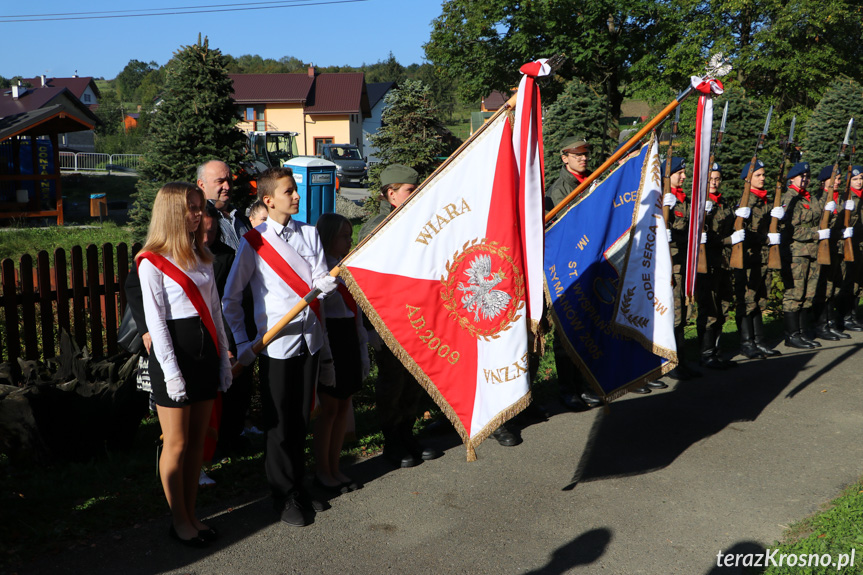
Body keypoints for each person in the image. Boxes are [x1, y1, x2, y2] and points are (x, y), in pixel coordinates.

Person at [222, 166, 338, 527]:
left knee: (301, 419)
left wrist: (325, 285)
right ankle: (282, 495)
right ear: (269, 200)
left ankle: (298, 486)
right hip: (275, 347)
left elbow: (319, 274)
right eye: (289, 191)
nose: (297, 196)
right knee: (278, 422)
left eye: (295, 190)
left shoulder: (309, 233)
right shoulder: (254, 241)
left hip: (310, 338)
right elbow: (230, 298)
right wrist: (242, 341)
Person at [136, 182, 231, 548]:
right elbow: (156, 321)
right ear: (171, 212)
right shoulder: (152, 261)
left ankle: (192, 513)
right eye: (190, 208)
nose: (197, 215)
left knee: (197, 443)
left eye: (198, 207)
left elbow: (216, 313)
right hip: (173, 359)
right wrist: (172, 373)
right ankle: (179, 520)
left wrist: (223, 359)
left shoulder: (202, 255)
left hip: (206, 358)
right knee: (175, 443)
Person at [359, 164, 446, 464]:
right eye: (411, 190)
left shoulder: (413, 221)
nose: (416, 193)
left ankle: (408, 433)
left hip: (417, 316)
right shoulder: (377, 227)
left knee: (414, 380)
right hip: (390, 320)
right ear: (392, 194)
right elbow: (367, 280)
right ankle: (392, 440)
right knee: (393, 382)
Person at [545, 138, 621, 405]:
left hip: (592, 262)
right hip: (569, 266)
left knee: (589, 323)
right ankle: (568, 388)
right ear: (564, 158)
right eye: (577, 155)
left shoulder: (592, 180)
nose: (583, 158)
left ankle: (586, 381)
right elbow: (569, 224)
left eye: (585, 154)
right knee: (568, 326)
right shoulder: (561, 188)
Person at [313, 213, 368, 493]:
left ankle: (335, 467)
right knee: (330, 408)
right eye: (344, 236)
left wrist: (362, 346)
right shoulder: (321, 271)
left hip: (347, 336)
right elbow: (320, 311)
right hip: (330, 339)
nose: (349, 240)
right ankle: (323, 470)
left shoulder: (346, 268)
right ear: (328, 238)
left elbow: (355, 312)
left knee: (344, 404)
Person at [735, 159, 782, 359]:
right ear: (748, 179)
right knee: (747, 300)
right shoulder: (745, 202)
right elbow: (742, 233)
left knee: (760, 299)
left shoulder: (765, 201)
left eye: (763, 175)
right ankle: (746, 343)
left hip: (763, 258)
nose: (763, 178)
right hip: (748, 259)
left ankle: (759, 341)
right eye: (758, 175)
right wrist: (766, 238)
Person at [780, 161, 829, 349]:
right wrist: (816, 234)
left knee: (808, 294)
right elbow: (790, 230)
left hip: (813, 252)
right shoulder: (789, 198)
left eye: (808, 177)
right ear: (792, 178)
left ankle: (802, 332)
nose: (806, 179)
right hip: (796, 253)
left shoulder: (810, 198)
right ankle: (791, 336)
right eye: (802, 176)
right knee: (795, 294)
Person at [695, 163, 737, 369]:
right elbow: (705, 237)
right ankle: (705, 353)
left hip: (724, 263)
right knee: (709, 309)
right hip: (707, 264)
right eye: (711, 178)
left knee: (723, 307)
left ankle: (717, 352)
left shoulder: (723, 202)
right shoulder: (697, 203)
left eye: (717, 178)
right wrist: (729, 240)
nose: (714, 182)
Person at [664, 157, 702, 380]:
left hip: (683, 266)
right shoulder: (660, 198)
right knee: (671, 316)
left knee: (682, 315)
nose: (684, 176)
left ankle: (680, 361)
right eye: (680, 173)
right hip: (668, 268)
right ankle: (669, 364)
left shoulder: (683, 200)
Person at [811, 166, 847, 341]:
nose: (838, 182)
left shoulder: (839, 198)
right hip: (823, 249)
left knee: (833, 287)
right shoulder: (818, 199)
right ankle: (820, 325)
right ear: (824, 181)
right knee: (823, 287)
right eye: (835, 179)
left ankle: (830, 323)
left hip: (837, 248)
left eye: (839, 179)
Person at [196, 159, 251, 251]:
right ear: (201, 185)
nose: (227, 187)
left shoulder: (240, 217)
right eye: (220, 181)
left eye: (229, 181)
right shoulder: (197, 219)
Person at [838, 166, 863, 330]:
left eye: (861, 177)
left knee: (859, 282)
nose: (859, 181)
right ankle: (844, 317)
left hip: (861, 243)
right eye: (855, 179)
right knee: (848, 281)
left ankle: (853, 316)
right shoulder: (846, 198)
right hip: (850, 244)